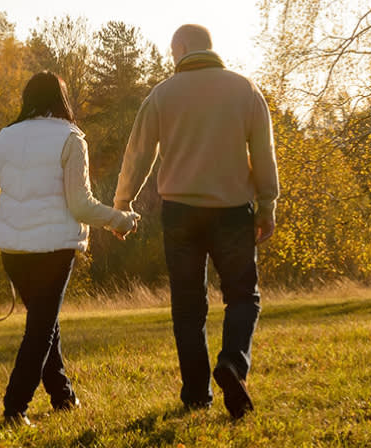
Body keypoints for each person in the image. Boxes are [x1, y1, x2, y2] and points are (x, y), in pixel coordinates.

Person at [113, 24, 278, 419]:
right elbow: (263, 150)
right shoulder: (245, 89)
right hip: (233, 211)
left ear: (182, 48)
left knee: (188, 306)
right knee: (242, 296)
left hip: (180, 212)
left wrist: (122, 204)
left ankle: (196, 394)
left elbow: (138, 156)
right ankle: (233, 365)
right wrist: (268, 202)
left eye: (172, 52)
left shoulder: (161, 95)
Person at [0, 72, 140, 427]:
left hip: (14, 253)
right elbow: (80, 205)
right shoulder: (71, 137)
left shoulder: (5, 137)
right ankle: (14, 408)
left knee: (43, 322)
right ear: (62, 99)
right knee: (41, 328)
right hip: (53, 250)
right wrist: (120, 220)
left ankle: (62, 395)